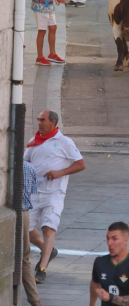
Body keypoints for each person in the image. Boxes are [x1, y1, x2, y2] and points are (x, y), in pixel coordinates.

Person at [24, 110, 85, 284]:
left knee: (48, 228)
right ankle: (47, 250)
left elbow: (80, 164)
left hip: (54, 193)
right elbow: (25, 162)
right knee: (26, 229)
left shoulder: (64, 142)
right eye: (38, 120)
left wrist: (60, 173)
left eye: (42, 120)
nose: (39, 123)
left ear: (53, 122)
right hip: (34, 192)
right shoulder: (33, 142)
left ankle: (41, 269)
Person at [22, 161, 42, 306]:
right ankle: (34, 299)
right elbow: (32, 191)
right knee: (24, 258)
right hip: (24, 214)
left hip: (11, 210)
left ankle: (12, 301)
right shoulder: (29, 167)